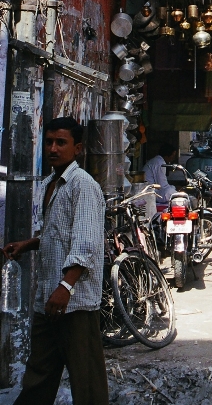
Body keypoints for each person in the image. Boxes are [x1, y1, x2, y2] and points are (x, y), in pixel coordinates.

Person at [2, 117, 108, 405]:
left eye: (61, 142)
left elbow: (85, 243)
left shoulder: (82, 185)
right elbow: (60, 234)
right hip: (49, 300)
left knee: (86, 383)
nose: (53, 148)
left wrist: (66, 287)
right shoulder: (51, 183)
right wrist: (29, 244)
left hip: (74, 303)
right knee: (39, 375)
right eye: (49, 142)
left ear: (77, 148)